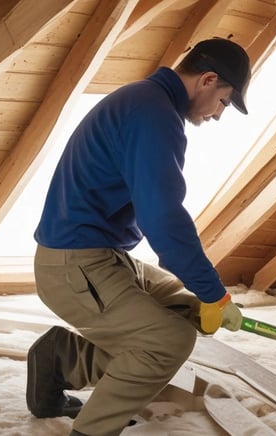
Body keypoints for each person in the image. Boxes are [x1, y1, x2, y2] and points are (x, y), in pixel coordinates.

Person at [26, 38, 250, 436]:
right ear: (208, 80)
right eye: (224, 101)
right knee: (168, 340)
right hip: (75, 265)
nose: (218, 114)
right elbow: (162, 218)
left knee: (186, 309)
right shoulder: (153, 114)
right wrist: (215, 292)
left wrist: (205, 298)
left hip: (100, 256)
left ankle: (62, 359)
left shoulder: (146, 102)